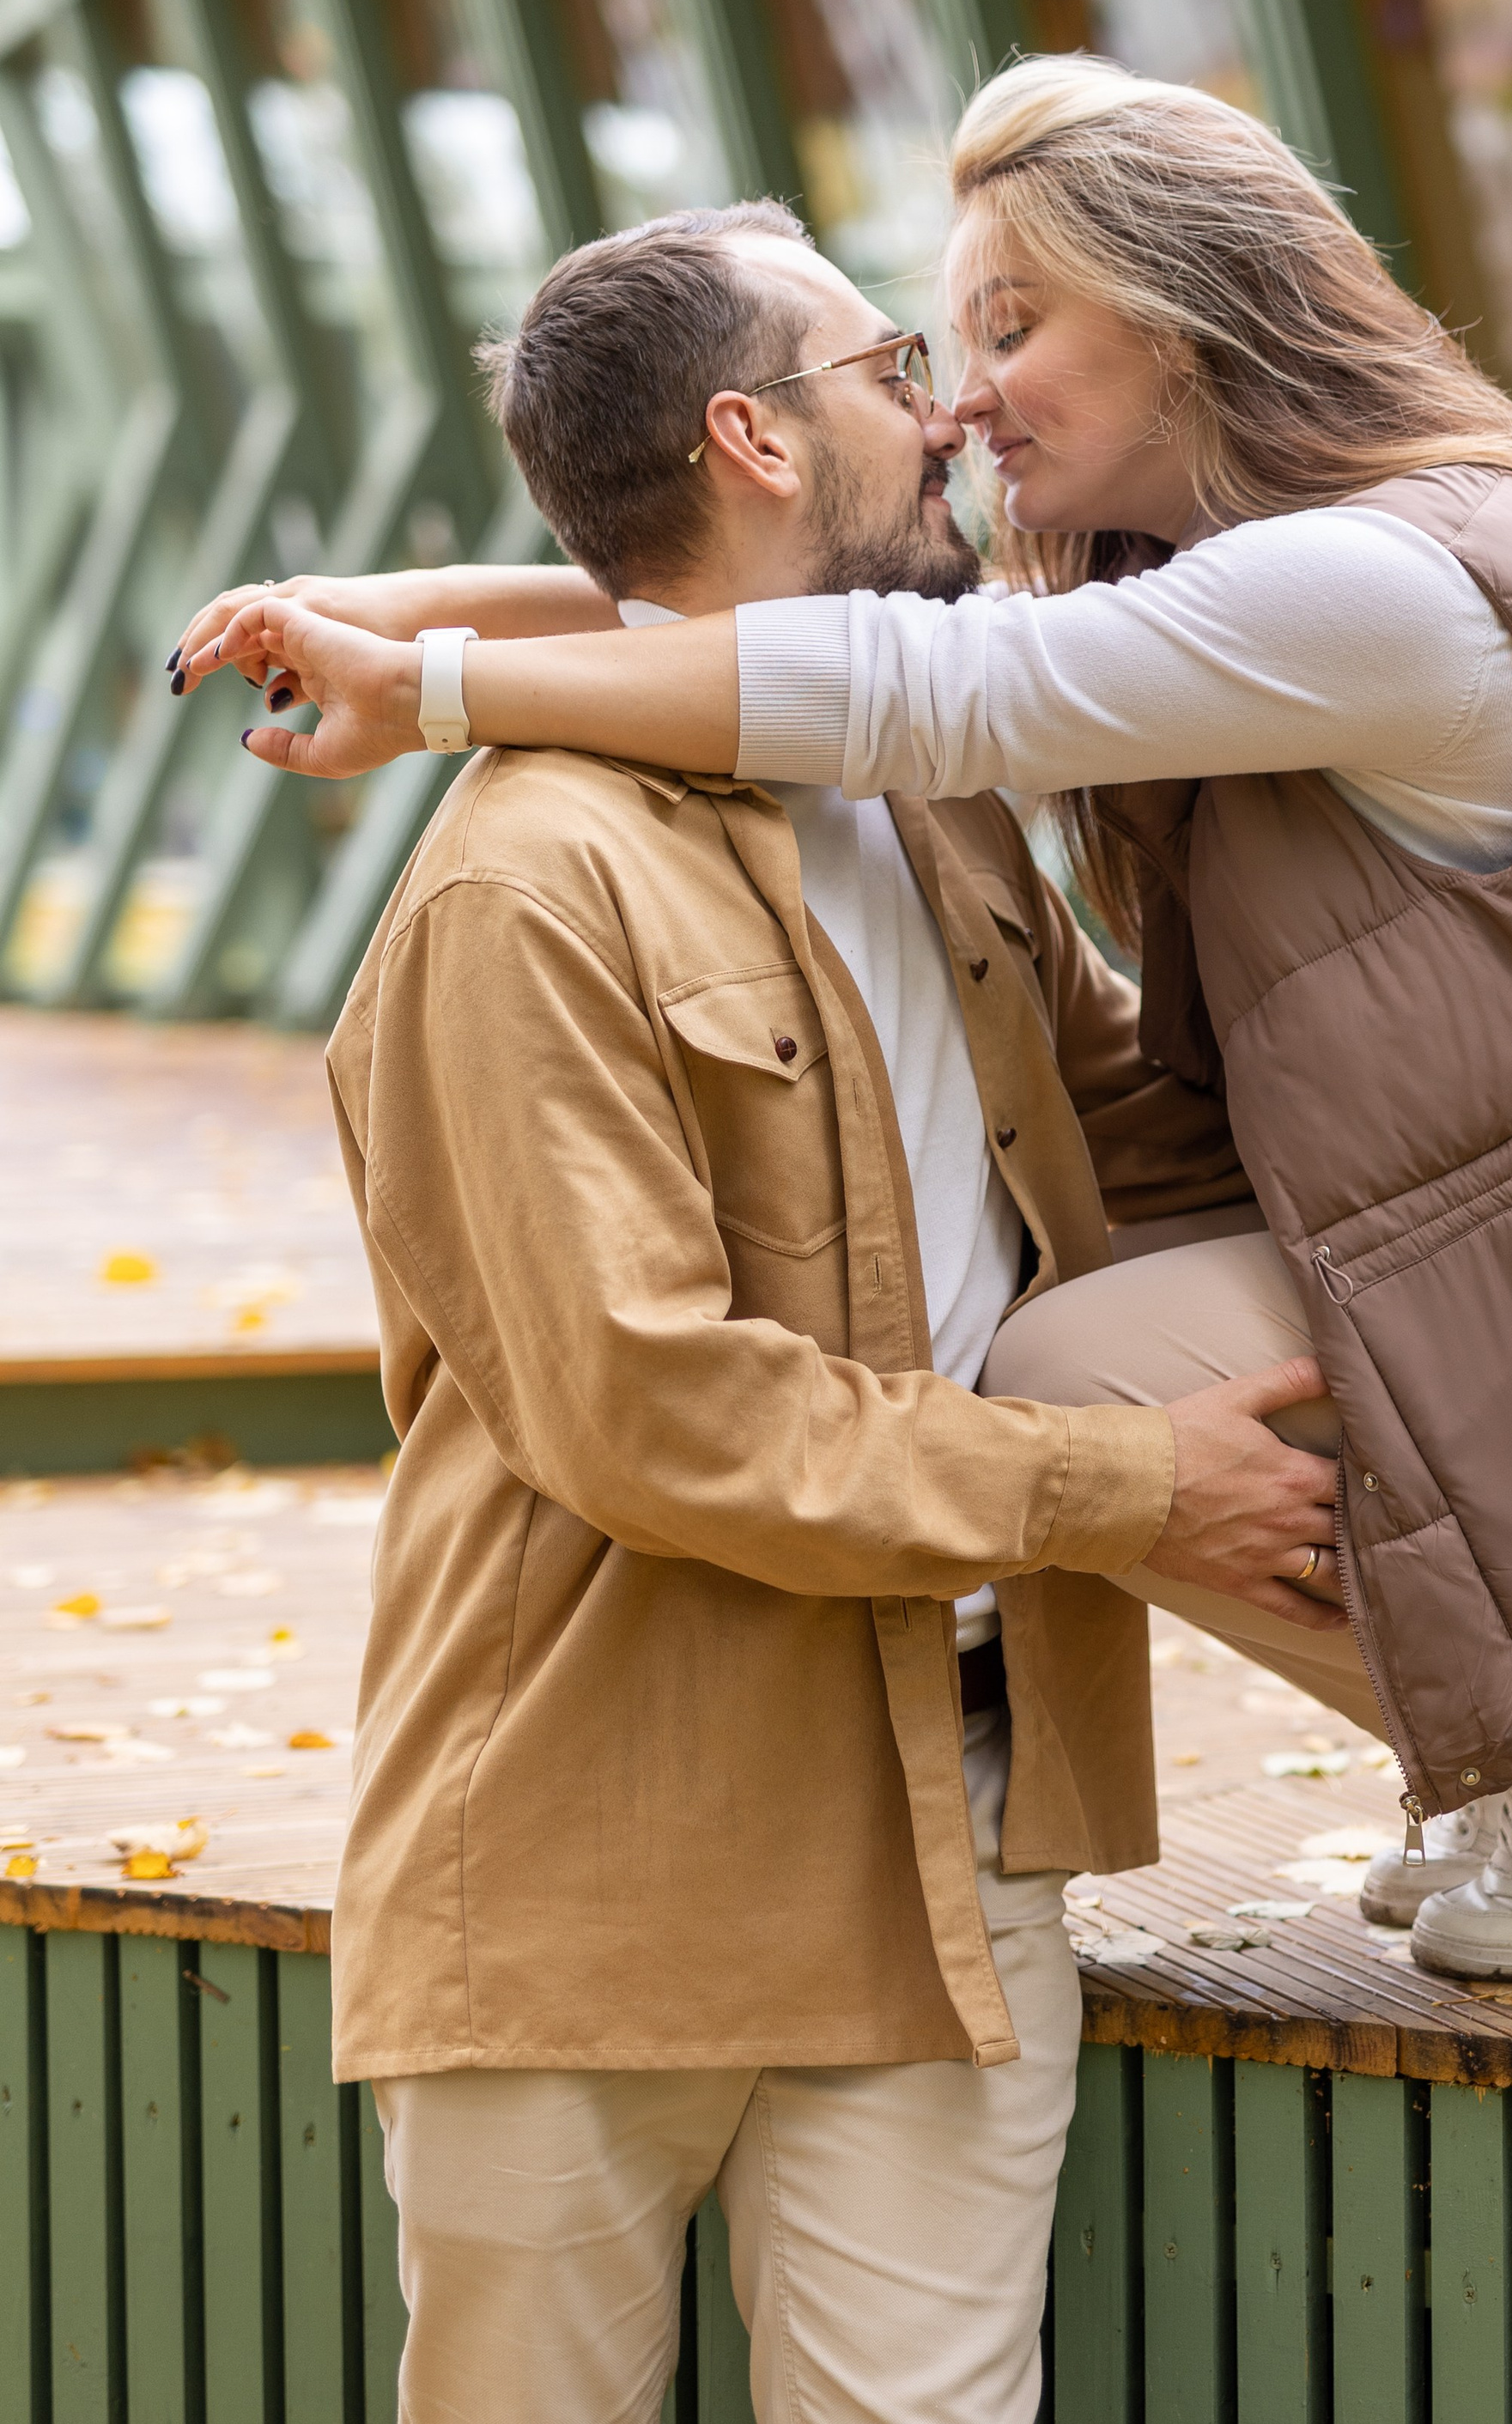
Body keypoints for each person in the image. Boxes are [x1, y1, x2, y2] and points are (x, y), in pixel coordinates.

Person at [179, 58, 1512, 1982]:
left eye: (1005, 328)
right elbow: (800, 635)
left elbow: (916, 689)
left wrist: (444, 685)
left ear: (1178, 317)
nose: (961, 401)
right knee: (1071, 1226)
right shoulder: (1296, 548)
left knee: (1060, 1375)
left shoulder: (1368, 583)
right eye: (937, 346)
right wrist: (383, 604)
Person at [291, 198, 1342, 2424]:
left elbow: (1149, 1157)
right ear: (754, 439)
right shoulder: (521, 888)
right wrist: (1131, 1482)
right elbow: (651, 1408)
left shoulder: (935, 817)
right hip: (596, 1861)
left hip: (956, 1839)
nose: (946, 411)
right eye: (892, 368)